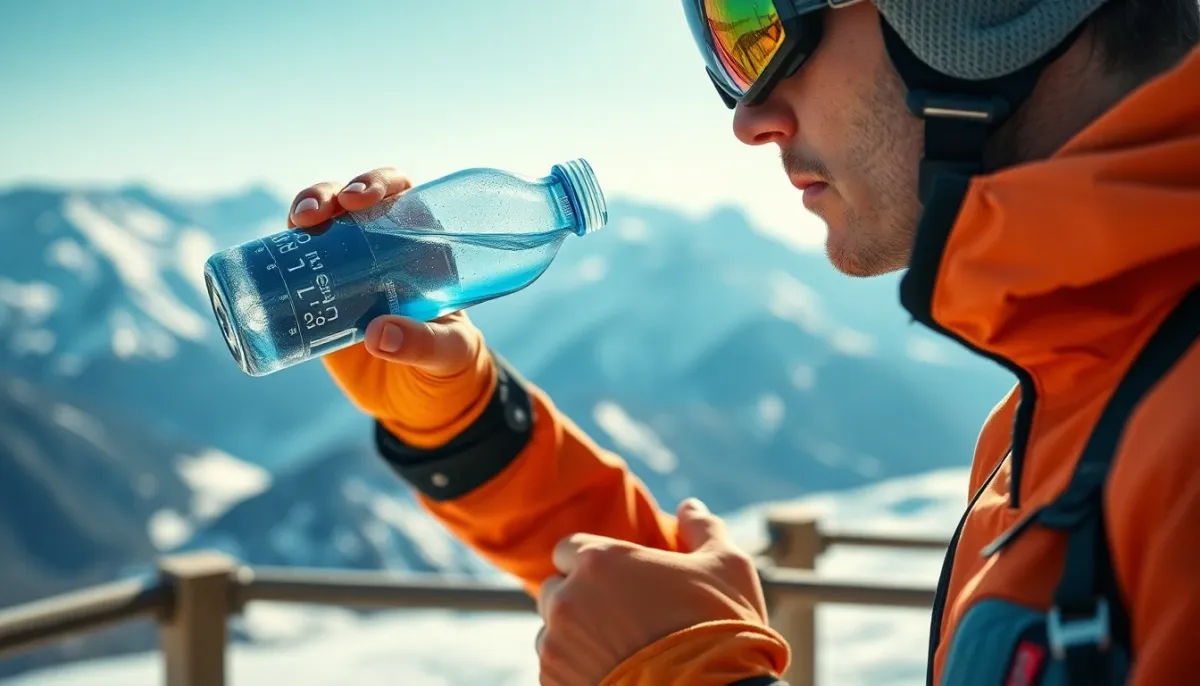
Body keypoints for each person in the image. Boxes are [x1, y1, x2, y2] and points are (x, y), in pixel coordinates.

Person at [288, 0, 1200, 683]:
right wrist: (467, 425)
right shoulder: (1075, 392)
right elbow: (639, 602)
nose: (747, 117)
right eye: (726, 46)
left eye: (762, 29)